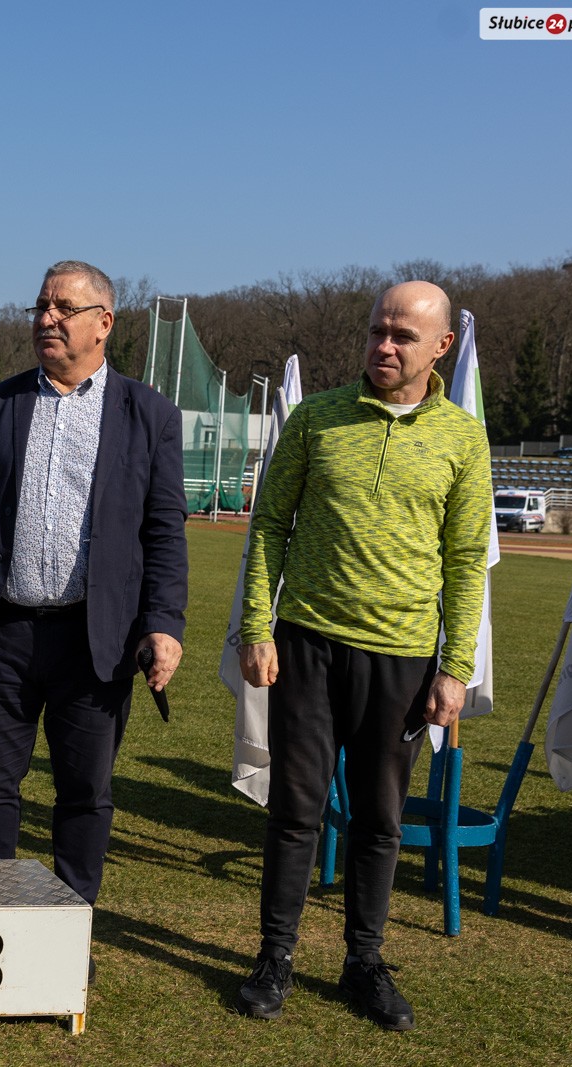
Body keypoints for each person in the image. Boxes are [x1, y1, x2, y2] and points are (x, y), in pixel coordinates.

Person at [0, 261, 186, 924]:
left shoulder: (150, 414)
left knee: (84, 793)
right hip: (2, 631)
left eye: (63, 309)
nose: (46, 319)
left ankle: (68, 932)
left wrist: (163, 623)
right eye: (41, 307)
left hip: (95, 639)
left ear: (103, 323)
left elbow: (164, 531)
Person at [234, 281, 491, 1031]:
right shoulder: (318, 417)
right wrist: (256, 626)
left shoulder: (463, 438)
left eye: (403, 336)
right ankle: (275, 957)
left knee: (380, 818)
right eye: (378, 330)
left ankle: (364, 962)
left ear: (441, 346)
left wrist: (455, 667)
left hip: (404, 656)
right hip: (307, 643)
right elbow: (270, 523)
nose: (384, 345)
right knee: (295, 810)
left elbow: (466, 559)